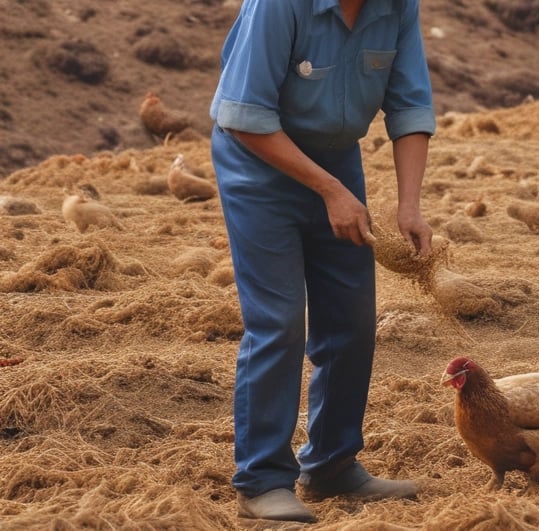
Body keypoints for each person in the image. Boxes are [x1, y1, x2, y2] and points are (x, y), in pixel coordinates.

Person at [208, 0, 435, 523]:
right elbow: (244, 115)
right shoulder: (280, 6)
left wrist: (408, 205)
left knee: (352, 318)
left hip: (335, 159)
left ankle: (332, 465)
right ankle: (262, 479)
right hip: (258, 162)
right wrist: (330, 190)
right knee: (279, 320)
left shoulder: (397, 5)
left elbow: (409, 104)